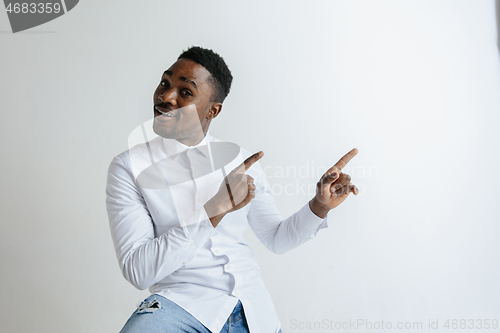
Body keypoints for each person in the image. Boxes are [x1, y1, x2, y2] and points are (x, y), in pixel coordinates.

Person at [106, 46, 359, 333]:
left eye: (185, 92)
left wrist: (319, 206)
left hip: (253, 311)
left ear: (213, 110)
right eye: (164, 84)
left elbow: (276, 239)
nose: (165, 97)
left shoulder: (241, 161)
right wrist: (214, 210)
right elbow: (139, 271)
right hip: (180, 307)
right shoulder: (129, 167)